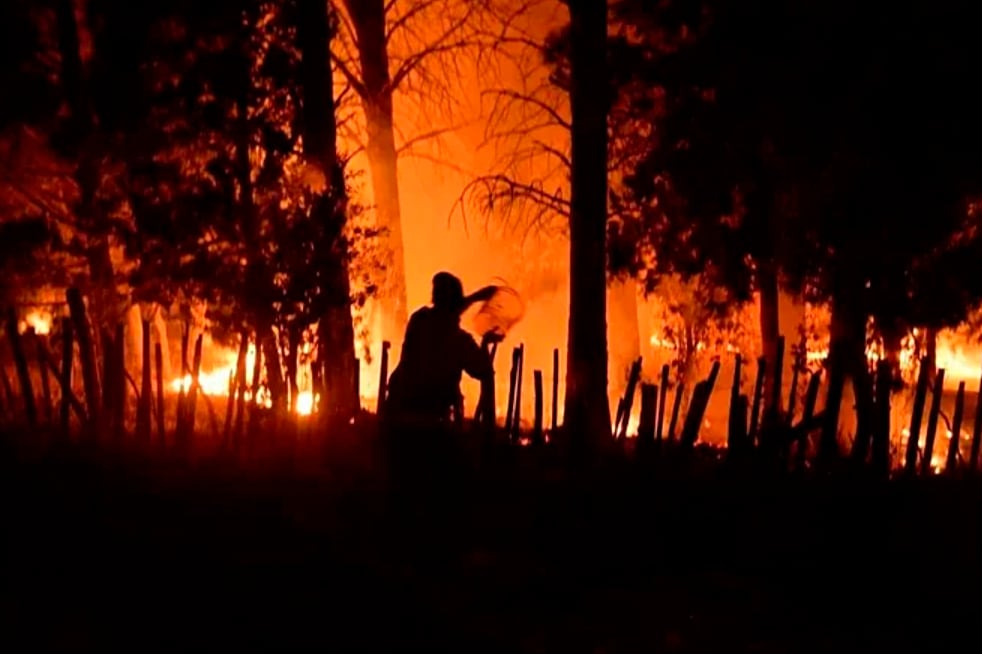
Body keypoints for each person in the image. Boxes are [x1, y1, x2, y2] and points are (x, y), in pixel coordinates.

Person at [383, 272, 501, 426]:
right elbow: (482, 369)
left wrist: (476, 297)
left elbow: (445, 313)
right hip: (433, 421)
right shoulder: (459, 342)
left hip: (398, 411)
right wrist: (485, 342)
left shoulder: (419, 320)